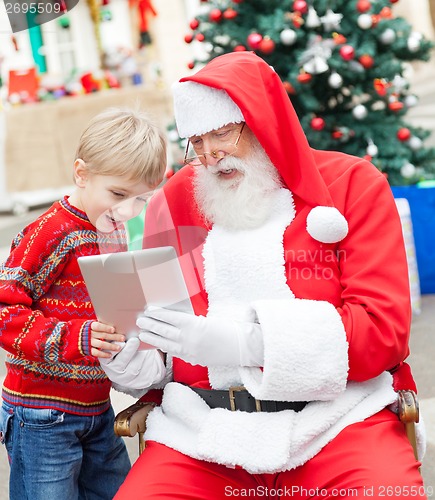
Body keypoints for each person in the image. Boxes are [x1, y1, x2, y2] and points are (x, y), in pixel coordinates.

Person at [104, 52, 426, 499]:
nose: (210, 154)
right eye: (196, 141)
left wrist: (245, 344)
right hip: (202, 433)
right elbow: (160, 336)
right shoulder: (174, 200)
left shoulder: (352, 184)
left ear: (264, 122)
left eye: (222, 133)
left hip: (338, 420)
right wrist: (131, 359)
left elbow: (382, 333)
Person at [0, 107, 167, 500]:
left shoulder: (112, 230)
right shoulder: (51, 231)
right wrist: (78, 338)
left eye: (141, 200)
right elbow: (5, 311)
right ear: (82, 173)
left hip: (97, 408)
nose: (127, 210)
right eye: (118, 194)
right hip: (41, 414)